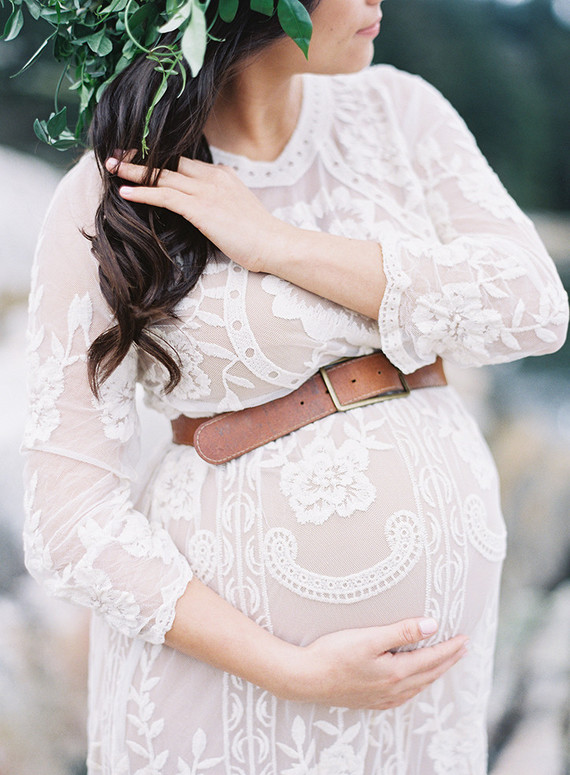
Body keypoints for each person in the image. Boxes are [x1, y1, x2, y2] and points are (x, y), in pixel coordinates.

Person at [21, 0, 568, 772]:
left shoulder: (402, 115)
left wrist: (277, 245)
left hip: (423, 698)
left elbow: (534, 308)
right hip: (227, 690)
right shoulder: (116, 192)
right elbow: (67, 518)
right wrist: (293, 671)